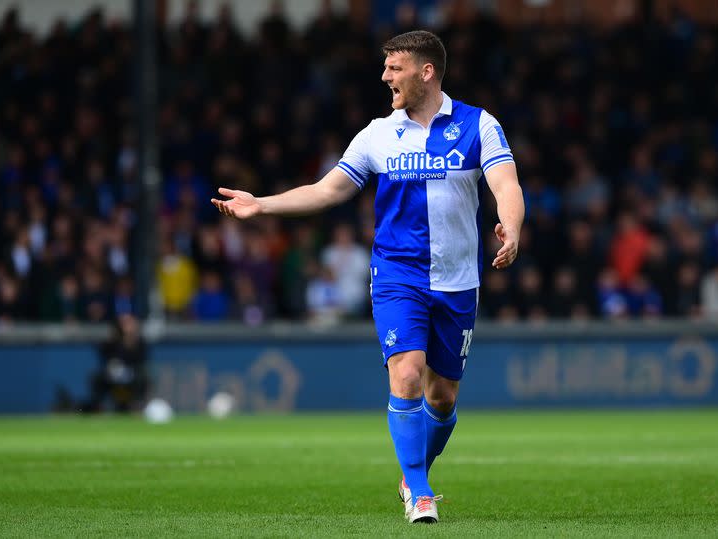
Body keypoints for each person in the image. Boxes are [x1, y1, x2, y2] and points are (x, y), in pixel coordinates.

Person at [211, 30, 523, 524]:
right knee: (406, 373)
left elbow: (505, 182)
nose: (385, 77)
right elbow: (327, 190)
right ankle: (419, 492)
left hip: (458, 279)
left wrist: (512, 226)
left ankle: (412, 471)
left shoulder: (478, 125)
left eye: (394, 68)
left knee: (442, 399)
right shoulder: (378, 134)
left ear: (426, 72)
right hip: (398, 273)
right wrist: (261, 205)